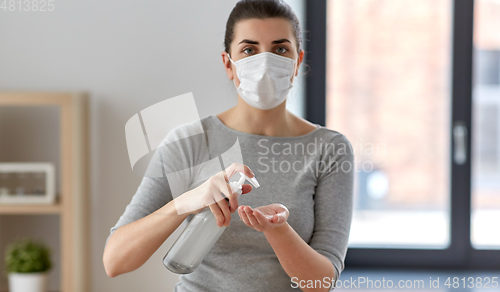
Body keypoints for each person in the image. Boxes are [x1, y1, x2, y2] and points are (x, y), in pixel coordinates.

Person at [103, 0, 354, 291]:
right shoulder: (190, 142)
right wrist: (185, 203)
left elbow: (321, 283)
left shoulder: (330, 149)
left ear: (297, 62)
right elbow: (115, 261)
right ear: (228, 64)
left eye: (280, 49)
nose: (265, 61)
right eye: (249, 49)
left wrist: (277, 230)